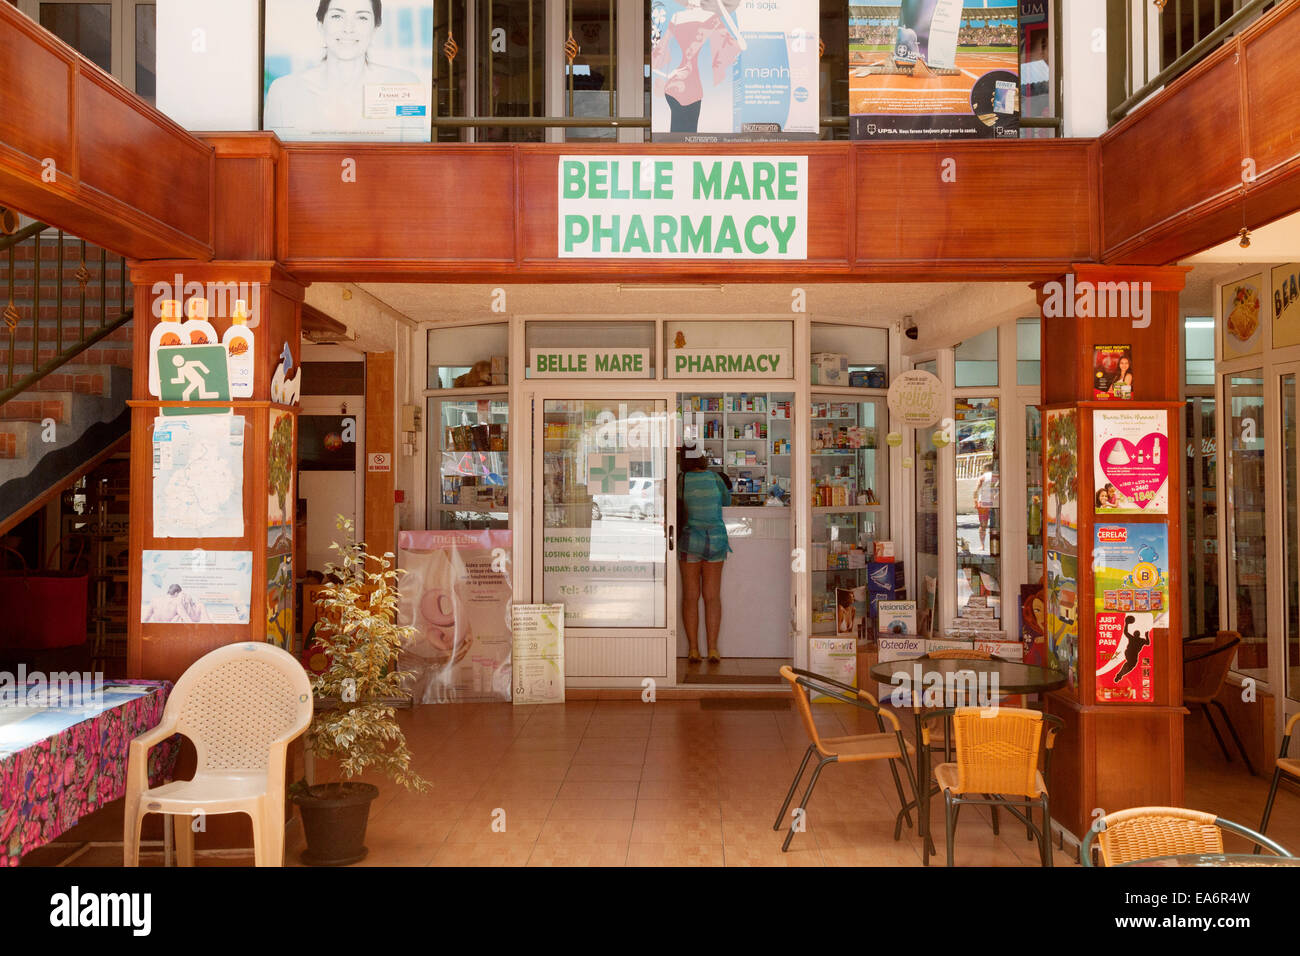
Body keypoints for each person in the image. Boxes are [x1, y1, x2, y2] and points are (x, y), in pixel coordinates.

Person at [264, 0, 424, 142]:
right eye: (337, 16)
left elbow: (413, 163)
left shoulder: (406, 85)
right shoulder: (284, 92)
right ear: (320, 25)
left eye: (362, 17)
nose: (348, 28)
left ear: (375, 28)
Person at [651, 0, 742, 133]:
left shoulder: (677, 16)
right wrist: (739, 43)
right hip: (692, 87)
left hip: (673, 86)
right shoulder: (710, 17)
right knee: (689, 139)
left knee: (676, 137)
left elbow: (658, 55)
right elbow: (730, 48)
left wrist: (670, 74)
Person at [678, 448, 731, 662]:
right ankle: (713, 649)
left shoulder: (681, 481)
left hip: (690, 540)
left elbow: (677, 506)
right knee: (712, 597)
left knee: (690, 597)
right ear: (702, 458)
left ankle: (692, 650)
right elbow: (726, 501)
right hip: (716, 540)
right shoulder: (716, 478)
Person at [973, 462, 998, 550]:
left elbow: (975, 490)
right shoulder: (997, 476)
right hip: (995, 502)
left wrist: (975, 501)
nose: (981, 470)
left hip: (983, 503)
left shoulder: (982, 477)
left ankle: (982, 545)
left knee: (983, 525)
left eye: (982, 468)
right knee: (997, 524)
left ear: (986, 468)